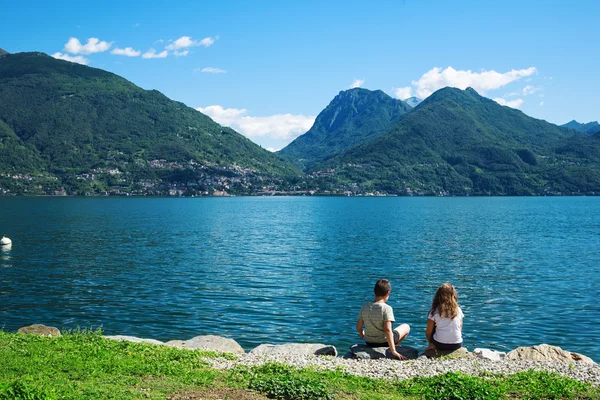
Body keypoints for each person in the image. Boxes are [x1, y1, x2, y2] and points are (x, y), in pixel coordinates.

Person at [356, 279, 411, 360]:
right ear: (388, 293)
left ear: (374, 292)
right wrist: (393, 351)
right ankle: (392, 347)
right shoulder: (386, 308)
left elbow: (358, 326)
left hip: (369, 342)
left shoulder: (365, 306)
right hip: (383, 343)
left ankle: (391, 346)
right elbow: (387, 330)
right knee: (406, 326)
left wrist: (361, 334)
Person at [425, 283, 463, 352]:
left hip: (440, 344)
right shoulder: (458, 310)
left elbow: (428, 332)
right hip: (457, 344)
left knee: (433, 327)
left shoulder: (434, 311)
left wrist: (431, 342)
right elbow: (460, 327)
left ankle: (432, 346)